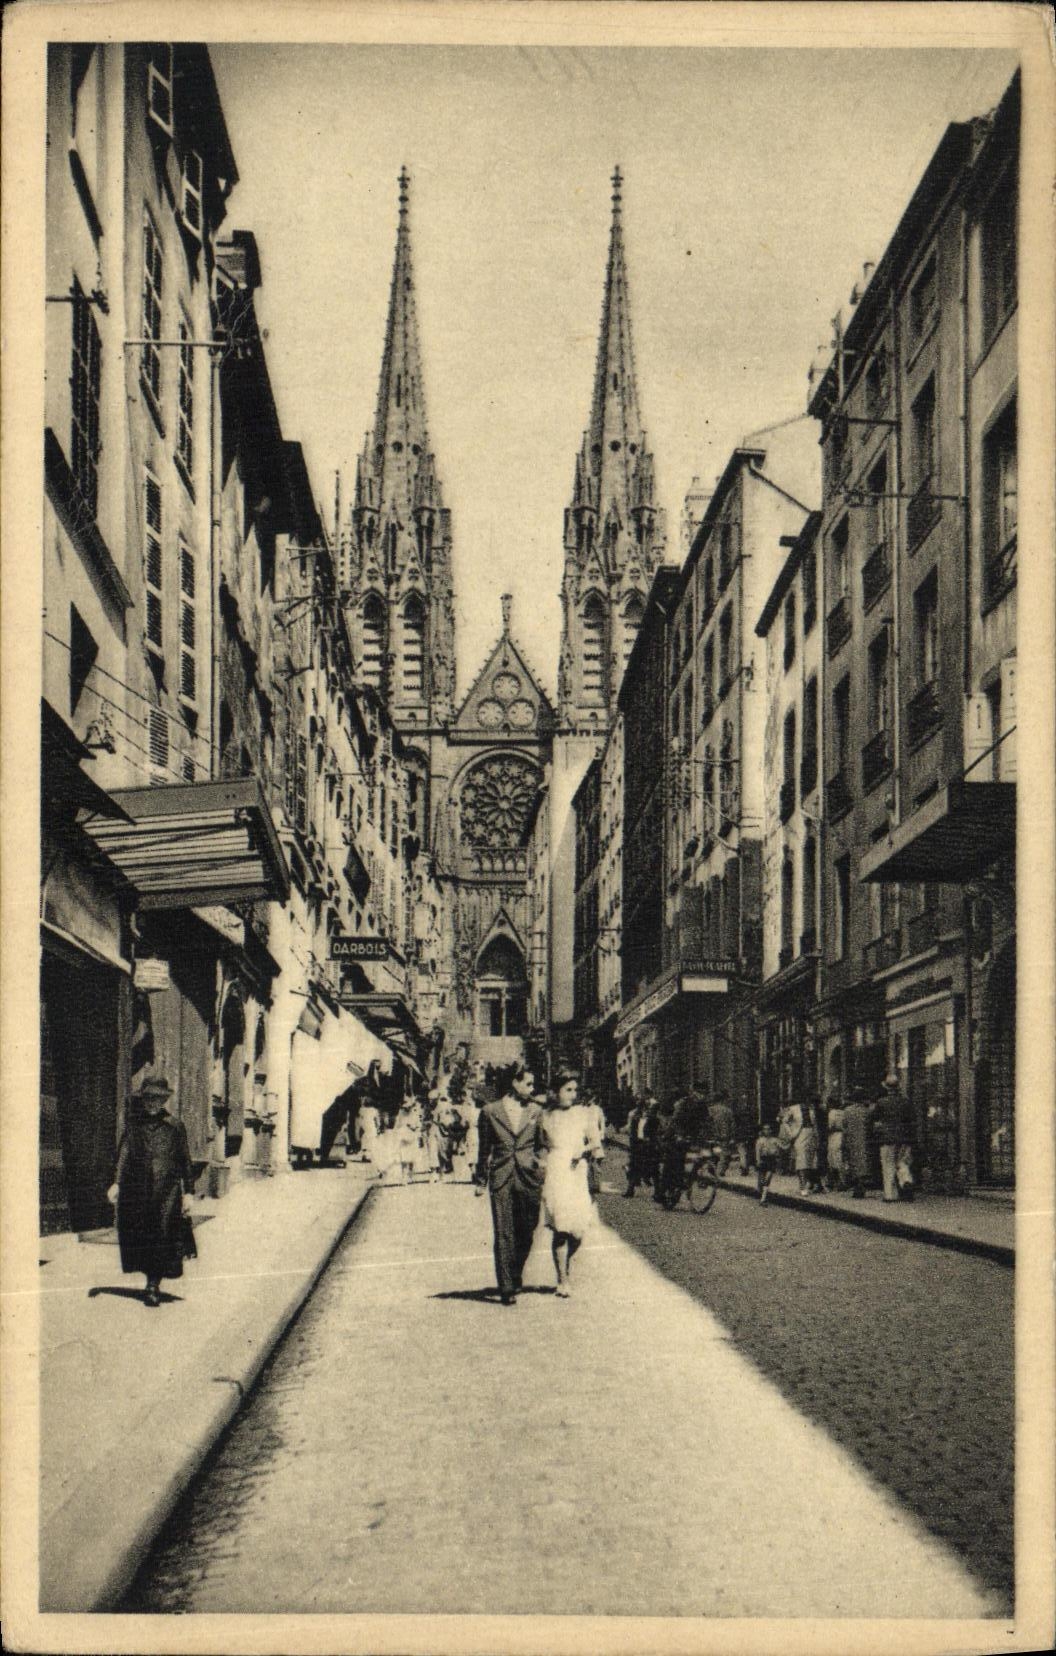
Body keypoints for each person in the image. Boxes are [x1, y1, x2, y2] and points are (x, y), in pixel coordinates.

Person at [106, 1075, 195, 1307]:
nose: (152, 1103)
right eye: (148, 1099)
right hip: (139, 1192)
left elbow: (185, 1161)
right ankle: (150, 1280)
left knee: (163, 1236)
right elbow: (123, 1155)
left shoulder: (175, 1127)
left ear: (163, 1100)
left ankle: (153, 1285)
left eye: (157, 1099)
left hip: (168, 1193)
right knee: (142, 1236)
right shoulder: (134, 1125)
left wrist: (189, 1192)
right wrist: (117, 1183)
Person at [474, 1063, 546, 1305]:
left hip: (529, 1176)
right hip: (502, 1175)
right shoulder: (489, 1111)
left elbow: (542, 1143)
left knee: (528, 1229)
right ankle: (506, 1287)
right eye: (528, 1084)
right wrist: (481, 1179)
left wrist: (540, 1163)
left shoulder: (537, 1110)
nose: (532, 1088)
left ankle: (515, 1274)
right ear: (514, 1083)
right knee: (504, 1231)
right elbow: (483, 1149)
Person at [539, 1070, 603, 1297]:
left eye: (575, 1090)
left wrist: (582, 1150)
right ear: (556, 1092)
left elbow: (595, 1142)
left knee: (577, 1232)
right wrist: (540, 1162)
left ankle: (566, 1266)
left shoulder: (583, 1114)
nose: (573, 1094)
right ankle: (562, 1280)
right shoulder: (544, 1116)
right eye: (568, 1090)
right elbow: (539, 1145)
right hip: (557, 1171)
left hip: (577, 1173)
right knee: (560, 1227)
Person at [875, 1074, 914, 1202]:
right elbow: (910, 1119)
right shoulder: (905, 1101)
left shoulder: (881, 1102)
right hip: (904, 1137)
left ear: (887, 1088)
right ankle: (906, 1180)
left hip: (887, 1138)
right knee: (902, 1162)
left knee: (888, 1165)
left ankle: (890, 1195)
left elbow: (875, 1118)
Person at [842, 1086, 874, 1199]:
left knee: (853, 1162)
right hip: (864, 1139)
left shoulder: (847, 1111)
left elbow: (844, 1126)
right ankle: (861, 1186)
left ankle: (856, 1186)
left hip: (851, 1139)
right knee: (863, 1163)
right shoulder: (867, 1111)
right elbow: (870, 1126)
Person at [623, 1092, 652, 1197]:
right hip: (641, 1143)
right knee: (635, 1165)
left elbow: (629, 1129)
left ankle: (633, 1186)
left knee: (634, 1165)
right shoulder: (644, 1115)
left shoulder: (635, 1114)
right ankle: (632, 1187)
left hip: (639, 1143)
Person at [706, 1094, 735, 1174]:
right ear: (723, 1100)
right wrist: (732, 1136)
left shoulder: (710, 1110)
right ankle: (721, 1171)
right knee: (725, 1154)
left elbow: (706, 1123)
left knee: (715, 1152)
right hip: (725, 1135)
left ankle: (711, 1166)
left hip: (713, 1135)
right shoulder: (728, 1111)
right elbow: (732, 1125)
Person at [754, 1119, 782, 1203]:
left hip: (771, 1160)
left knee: (767, 1179)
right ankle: (761, 1193)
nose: (767, 1131)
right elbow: (758, 1151)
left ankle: (763, 1199)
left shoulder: (775, 1140)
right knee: (762, 1180)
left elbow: (779, 1150)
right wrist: (758, 1160)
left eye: (768, 1129)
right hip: (763, 1160)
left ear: (771, 1130)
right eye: (765, 1129)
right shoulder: (760, 1140)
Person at [825, 1092, 846, 1192]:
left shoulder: (832, 1113)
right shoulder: (843, 1112)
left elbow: (830, 1126)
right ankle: (841, 1181)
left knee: (833, 1159)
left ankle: (837, 1182)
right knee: (840, 1158)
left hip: (834, 1136)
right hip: (842, 1135)